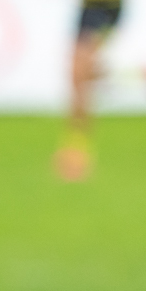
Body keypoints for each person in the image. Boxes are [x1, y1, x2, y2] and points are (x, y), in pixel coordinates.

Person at [55, 0, 123, 181]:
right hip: (89, 10)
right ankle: (76, 147)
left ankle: (77, 151)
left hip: (106, 9)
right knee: (79, 76)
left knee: (81, 73)